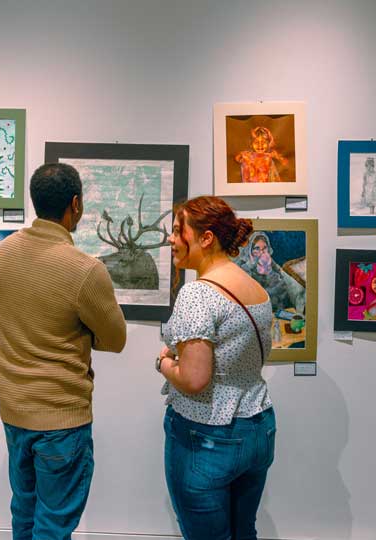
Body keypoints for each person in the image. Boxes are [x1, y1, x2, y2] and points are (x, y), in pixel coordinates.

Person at [0, 162, 127, 540]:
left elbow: (17, 319)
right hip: (61, 419)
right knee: (52, 526)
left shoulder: (1, 254)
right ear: (76, 204)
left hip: (14, 410)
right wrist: (81, 333)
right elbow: (115, 339)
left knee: (24, 512)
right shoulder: (84, 270)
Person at [157, 195, 275, 540]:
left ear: (206, 238)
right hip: (259, 426)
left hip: (207, 432)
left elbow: (194, 379)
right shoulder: (255, 287)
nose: (171, 239)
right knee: (243, 532)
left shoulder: (198, 293)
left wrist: (162, 362)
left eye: (179, 231)